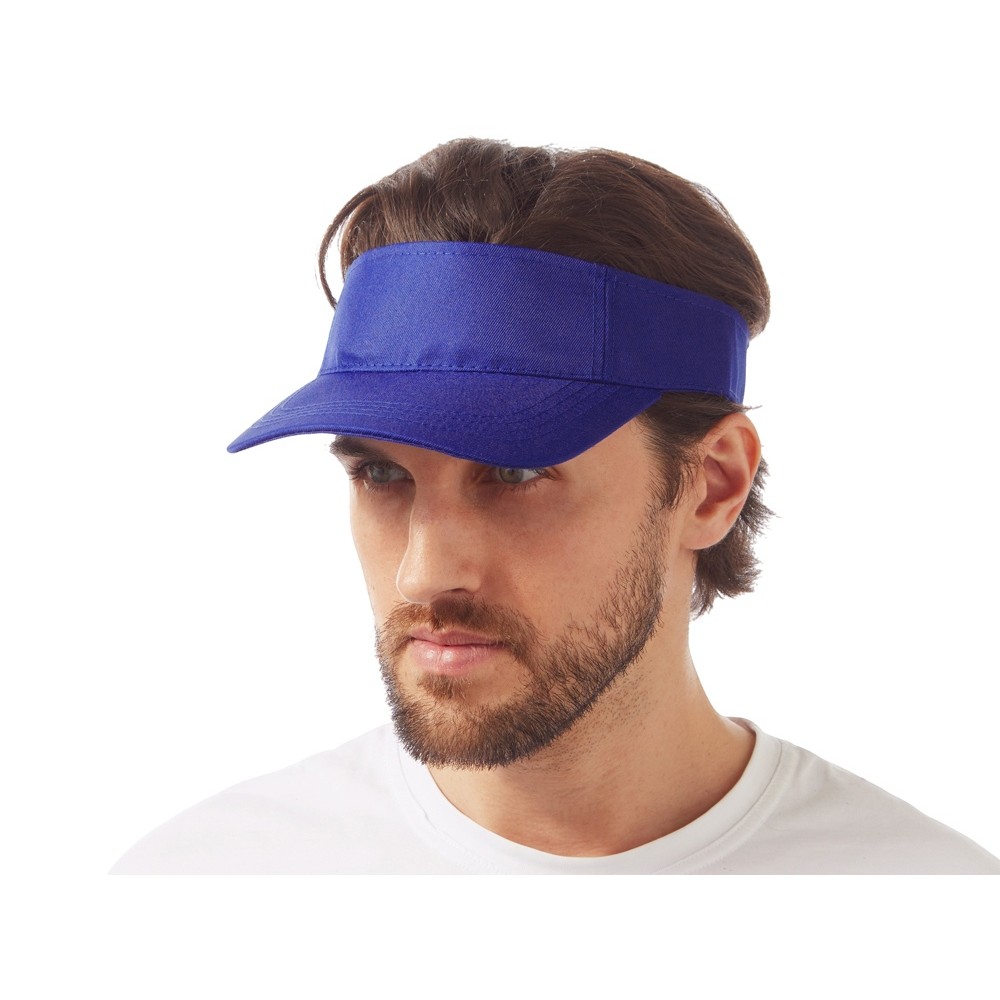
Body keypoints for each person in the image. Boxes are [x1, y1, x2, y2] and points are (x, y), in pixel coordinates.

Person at [111, 138, 999, 874]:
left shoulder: (933, 906)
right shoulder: (207, 883)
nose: (424, 572)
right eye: (382, 474)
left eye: (513, 471)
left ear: (713, 484)